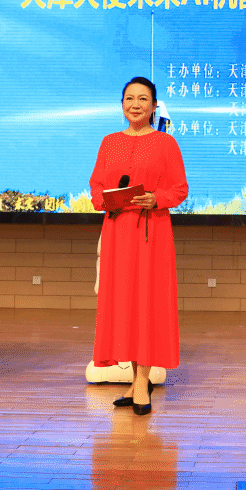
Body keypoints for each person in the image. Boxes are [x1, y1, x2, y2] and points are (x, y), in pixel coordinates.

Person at [89, 77, 188, 416]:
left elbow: (179, 189)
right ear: (121, 105)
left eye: (143, 99)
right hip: (117, 231)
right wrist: (104, 199)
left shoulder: (165, 143)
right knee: (125, 305)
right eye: (129, 98)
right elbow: (96, 187)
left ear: (154, 105)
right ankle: (135, 381)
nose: (135, 104)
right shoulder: (109, 142)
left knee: (147, 303)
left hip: (151, 232)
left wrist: (156, 198)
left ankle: (143, 382)